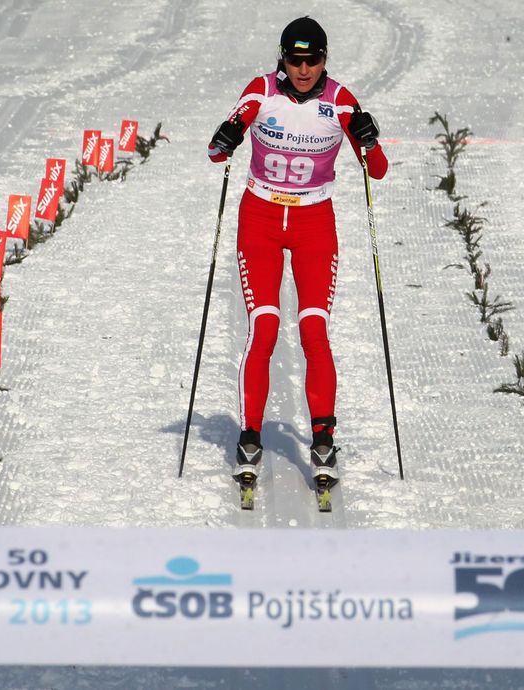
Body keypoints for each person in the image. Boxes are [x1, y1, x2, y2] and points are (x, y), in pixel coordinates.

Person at [208, 16, 388, 491]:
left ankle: (324, 438)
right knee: (265, 323)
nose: (303, 69)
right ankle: (250, 436)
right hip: (261, 219)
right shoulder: (263, 88)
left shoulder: (340, 101)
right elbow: (221, 143)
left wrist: (368, 136)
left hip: (314, 224)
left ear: (325, 59)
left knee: (313, 327)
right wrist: (227, 135)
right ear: (282, 58)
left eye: (312, 60)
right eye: (294, 59)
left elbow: (379, 169)